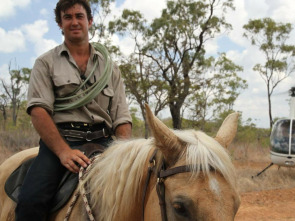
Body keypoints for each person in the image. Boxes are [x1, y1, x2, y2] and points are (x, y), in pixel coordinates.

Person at [15, 0, 132, 220]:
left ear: (89, 21)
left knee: (139, 192)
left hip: (105, 142)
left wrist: (122, 154)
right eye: (67, 17)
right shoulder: (45, 63)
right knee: (31, 201)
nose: (74, 22)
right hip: (62, 142)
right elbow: (39, 110)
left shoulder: (110, 67)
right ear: (60, 24)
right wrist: (62, 151)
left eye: (79, 16)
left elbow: (122, 117)